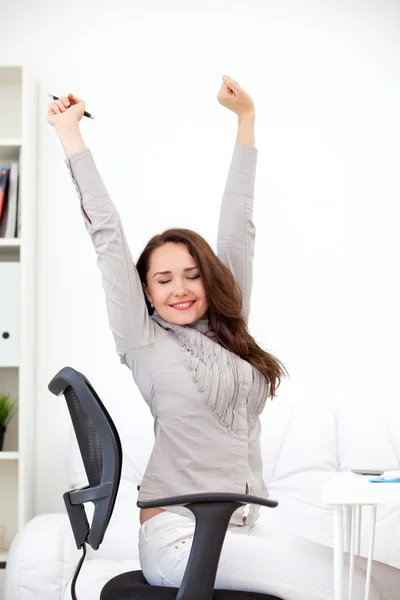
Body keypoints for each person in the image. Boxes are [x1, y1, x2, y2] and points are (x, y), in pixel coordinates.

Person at [47, 76, 399, 600]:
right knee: (350, 587)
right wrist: (69, 134)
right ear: (143, 291)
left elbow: (239, 226)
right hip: (182, 540)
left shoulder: (231, 330)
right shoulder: (141, 339)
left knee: (385, 579)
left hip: (245, 527)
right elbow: (106, 234)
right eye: (163, 280)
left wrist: (246, 121)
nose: (181, 289)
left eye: (192, 275)